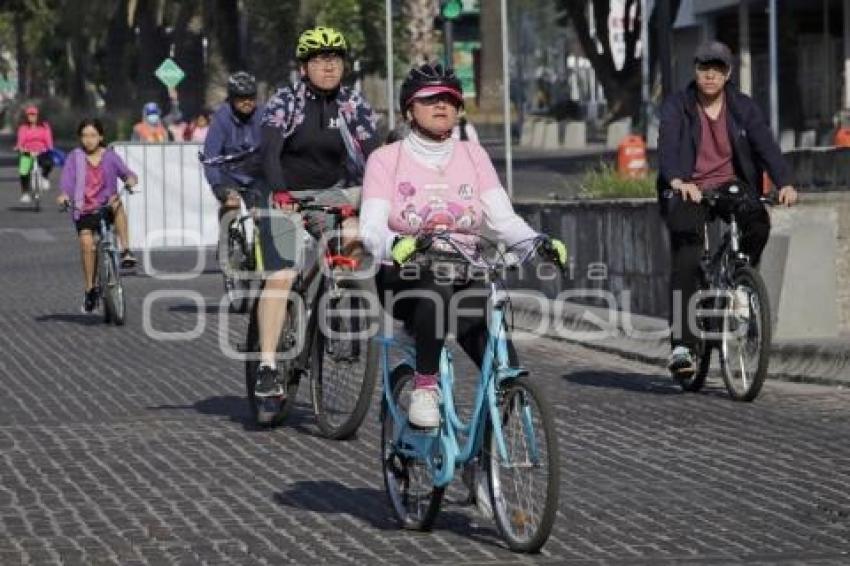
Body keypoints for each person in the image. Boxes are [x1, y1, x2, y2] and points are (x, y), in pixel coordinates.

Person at [359, 63, 567, 428]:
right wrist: (396, 244)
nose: (442, 105)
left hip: (464, 270)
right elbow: (371, 229)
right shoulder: (385, 159)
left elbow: (502, 219)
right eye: (431, 99)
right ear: (410, 109)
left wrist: (537, 243)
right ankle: (425, 387)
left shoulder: (474, 155)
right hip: (406, 275)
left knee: (501, 363)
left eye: (450, 99)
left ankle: (484, 458)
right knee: (434, 292)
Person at [657, 40, 798, 376]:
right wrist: (677, 180)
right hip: (689, 187)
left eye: (717, 68)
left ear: (728, 73)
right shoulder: (679, 106)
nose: (710, 75)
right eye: (704, 67)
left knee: (758, 221)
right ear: (695, 71)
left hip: (730, 184)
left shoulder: (743, 107)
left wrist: (785, 182)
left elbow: (766, 145)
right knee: (687, 254)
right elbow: (668, 146)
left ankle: (738, 278)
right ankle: (683, 346)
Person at [252, 26, 380, 397]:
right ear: (304, 67)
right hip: (283, 193)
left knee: (354, 237)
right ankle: (268, 365)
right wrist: (279, 192)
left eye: (335, 59)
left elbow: (374, 154)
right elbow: (269, 152)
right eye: (320, 60)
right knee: (282, 276)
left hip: (332, 194)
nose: (329, 66)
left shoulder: (353, 104)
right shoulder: (285, 101)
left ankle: (339, 299)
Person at [58, 119, 139, 313]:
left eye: (93, 135)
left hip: (106, 207)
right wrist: (63, 196)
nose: (89, 140)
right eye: (84, 136)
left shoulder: (110, 156)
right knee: (87, 244)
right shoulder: (74, 158)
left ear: (101, 137)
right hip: (84, 210)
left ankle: (126, 250)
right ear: (80, 138)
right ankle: (90, 289)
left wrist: (130, 180)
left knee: (117, 203)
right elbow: (66, 183)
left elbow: (127, 174)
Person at [202, 71, 264, 219]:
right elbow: (211, 156)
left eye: (251, 97)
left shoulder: (265, 114)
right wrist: (217, 186)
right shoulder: (221, 118)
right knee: (232, 206)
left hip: (256, 174)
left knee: (263, 214)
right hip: (228, 174)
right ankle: (226, 238)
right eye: (241, 98)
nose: (247, 102)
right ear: (231, 99)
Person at [14, 105, 54, 203]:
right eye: (29, 115)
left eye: (33, 114)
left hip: (41, 151)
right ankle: (25, 193)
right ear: (26, 116)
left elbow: (48, 140)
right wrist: (19, 148)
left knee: (48, 162)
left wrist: (49, 147)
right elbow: (20, 142)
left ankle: (44, 177)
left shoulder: (44, 126)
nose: (31, 117)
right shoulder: (23, 128)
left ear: (37, 115)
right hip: (28, 152)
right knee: (24, 169)